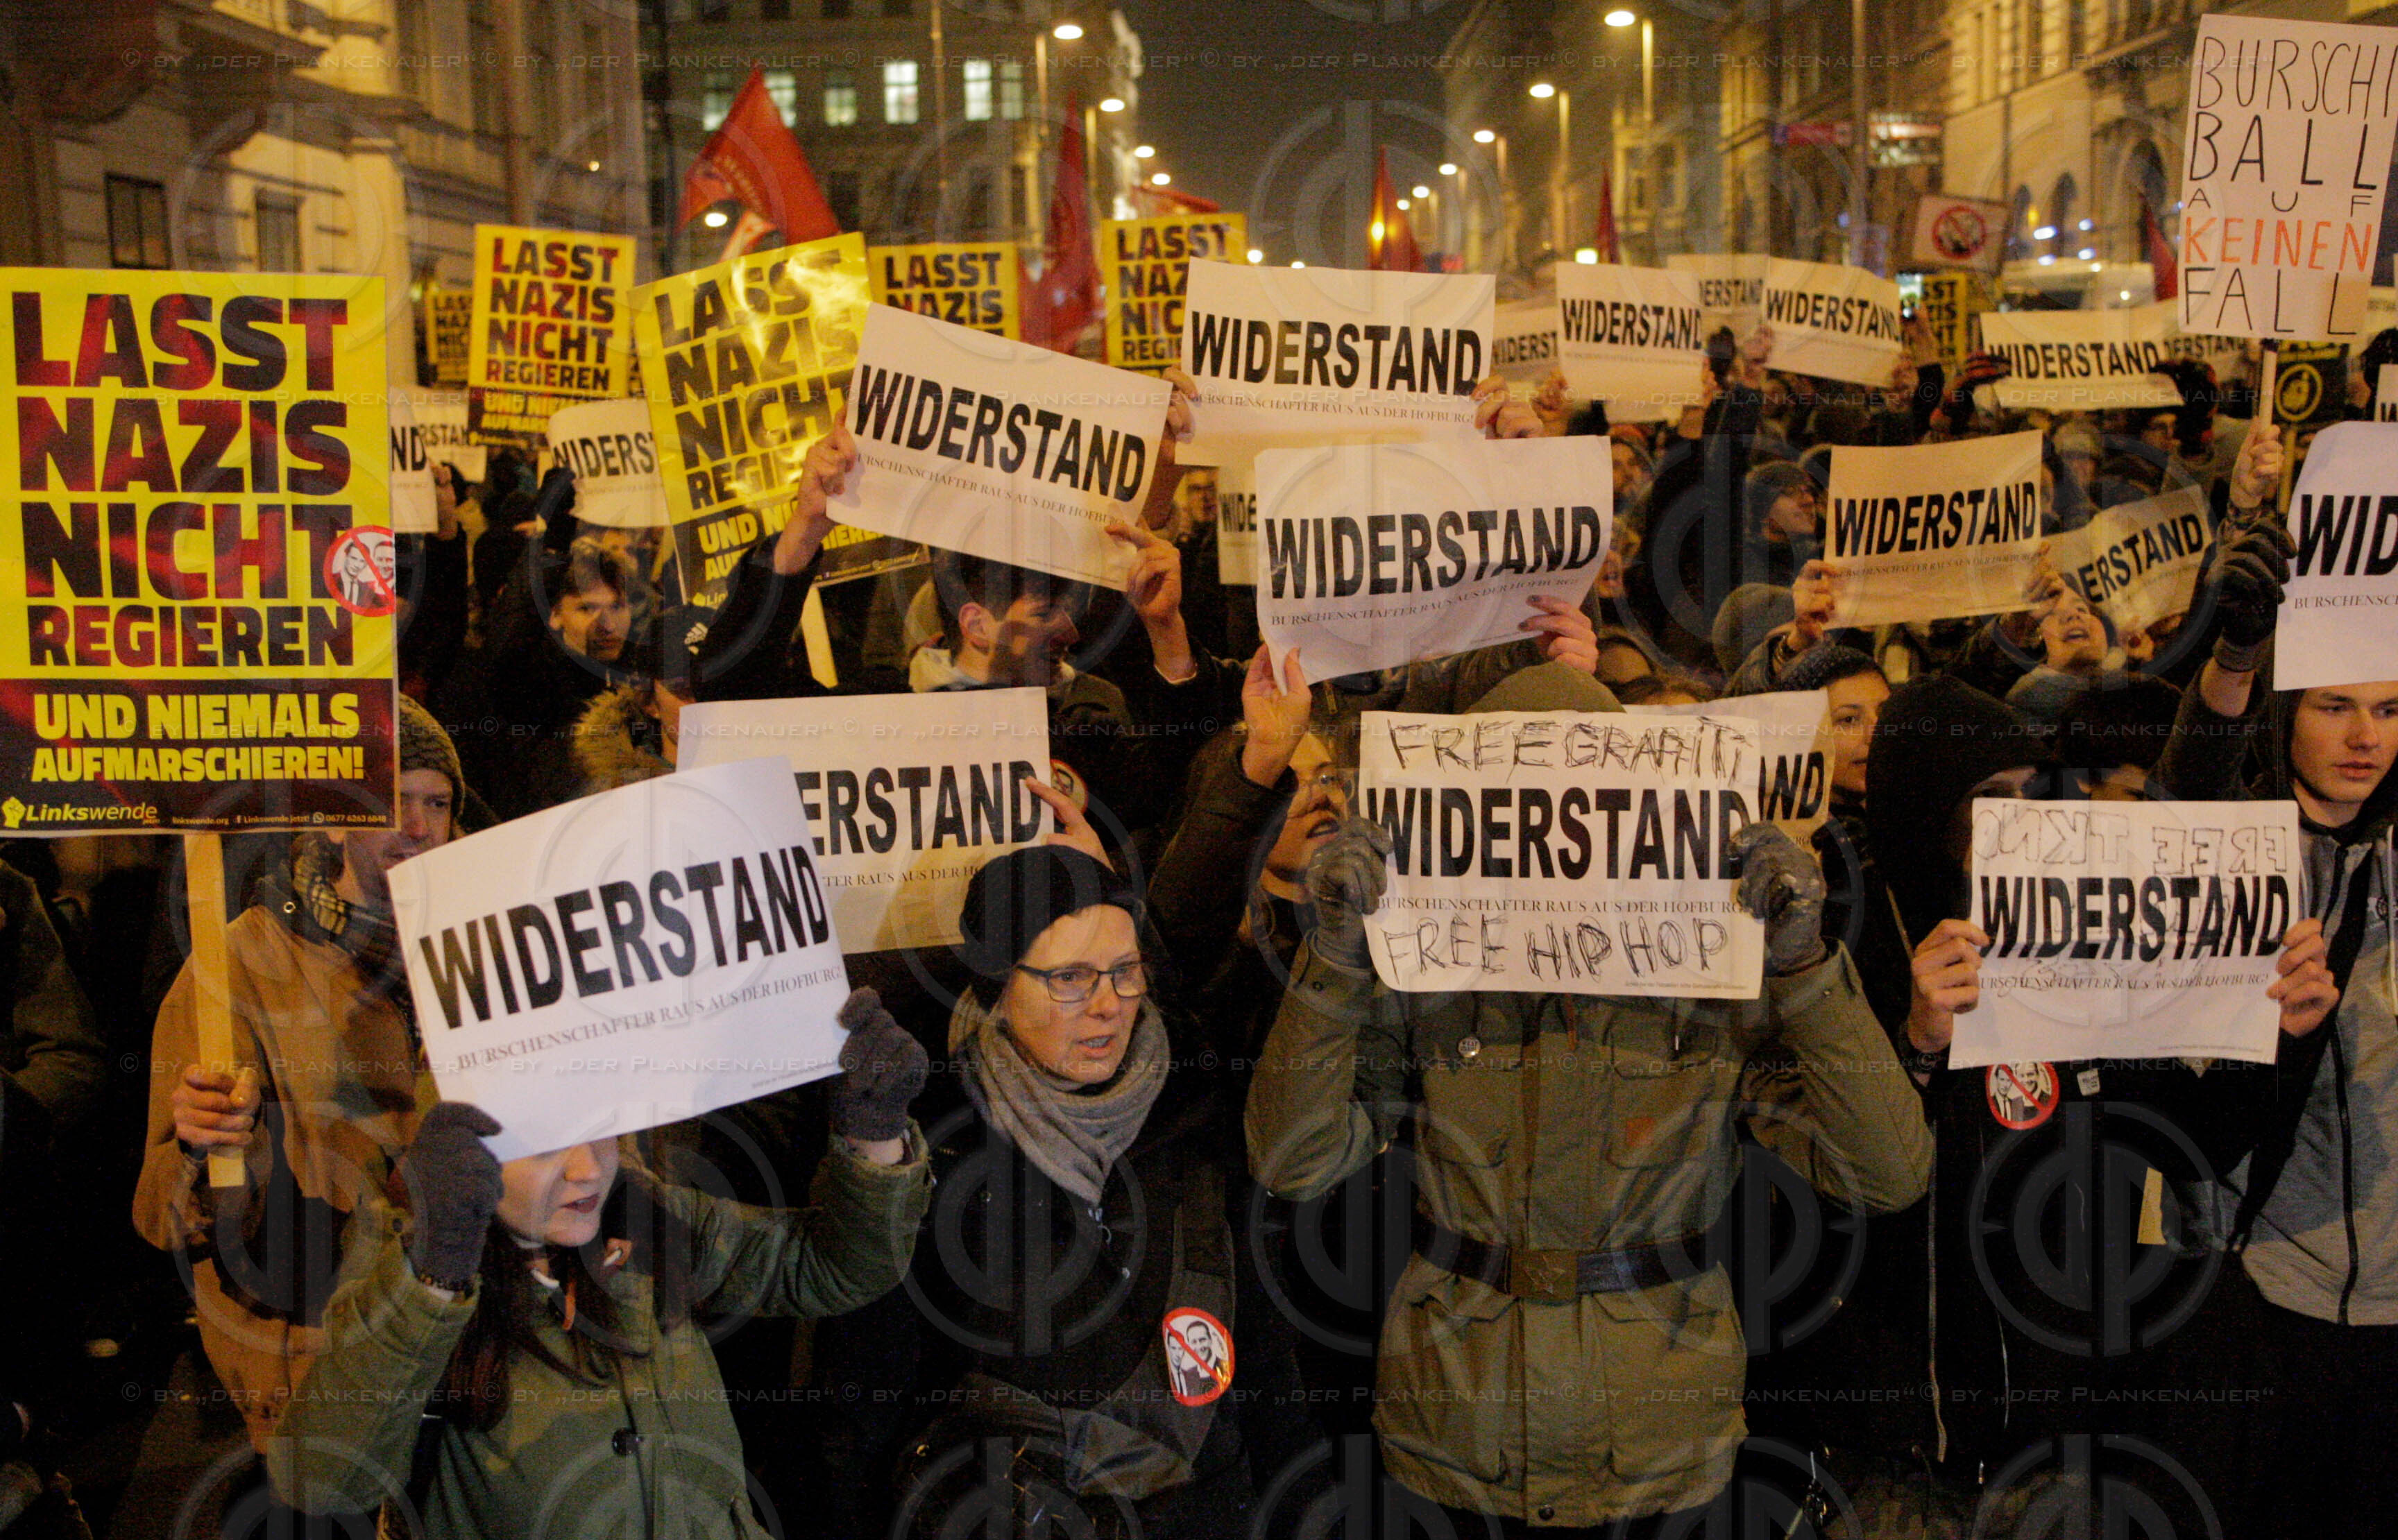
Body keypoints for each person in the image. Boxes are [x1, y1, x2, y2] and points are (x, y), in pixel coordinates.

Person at [1246, 661, 1934, 1532]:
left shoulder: (1716, 967)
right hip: (1457, 1431)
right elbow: (1291, 1160)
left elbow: (1887, 1172)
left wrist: (1803, 964)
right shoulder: (1423, 966)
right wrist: (1337, 959)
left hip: (1657, 1444)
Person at [265, 989, 933, 1535]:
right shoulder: (404, 1269)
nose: (589, 1169)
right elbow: (320, 1480)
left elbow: (837, 1268)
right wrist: (436, 1275)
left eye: (602, 1124)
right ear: (463, 1150)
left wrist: (872, 1135)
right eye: (547, 1140)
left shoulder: (644, 1219)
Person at [864, 845, 1316, 1540]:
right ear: (997, 985)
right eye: (1069, 978)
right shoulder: (929, 1145)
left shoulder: (1197, 1113)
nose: (1108, 1007)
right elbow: (871, 1398)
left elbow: (1262, 1364)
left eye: (1124, 973)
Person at [130, 699, 469, 1455]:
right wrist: (200, 1144)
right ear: (332, 816)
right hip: (321, 1370)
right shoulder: (238, 966)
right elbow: (161, 1216)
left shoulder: (494, 943)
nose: (417, 828)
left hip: (469, 1360)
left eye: (437, 803)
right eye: (391, 802)